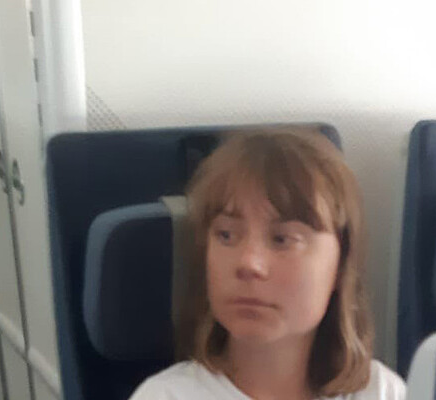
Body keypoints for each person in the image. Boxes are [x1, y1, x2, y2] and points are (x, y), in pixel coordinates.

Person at [129, 128, 406, 399]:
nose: (249, 263)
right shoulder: (165, 395)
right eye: (226, 235)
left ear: (340, 267)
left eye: (282, 239)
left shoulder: (382, 392)